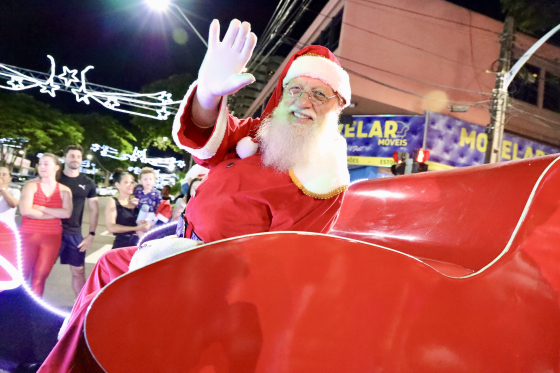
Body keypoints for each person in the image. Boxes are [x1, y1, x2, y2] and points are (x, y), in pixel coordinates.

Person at [39, 19, 351, 372]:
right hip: (179, 251)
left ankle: (71, 362)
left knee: (105, 306)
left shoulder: (321, 178)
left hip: (216, 278)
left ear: (337, 105)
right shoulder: (261, 133)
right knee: (109, 265)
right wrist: (208, 93)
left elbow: (286, 263)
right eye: (295, 89)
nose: (303, 102)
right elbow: (205, 141)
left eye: (319, 93)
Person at [18, 154, 72, 297]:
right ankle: (11, 310)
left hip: (52, 238)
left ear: (56, 167)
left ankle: (33, 313)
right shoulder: (31, 186)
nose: (42, 167)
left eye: (46, 164)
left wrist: (41, 208)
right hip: (28, 236)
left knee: (39, 278)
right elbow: (25, 210)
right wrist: (56, 214)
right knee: (20, 276)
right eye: (40, 164)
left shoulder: (65, 190)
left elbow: (67, 213)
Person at [57, 145, 98, 296]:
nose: (75, 159)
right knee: (40, 271)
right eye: (72, 156)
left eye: (78, 156)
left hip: (74, 233)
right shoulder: (56, 178)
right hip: (52, 230)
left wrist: (91, 234)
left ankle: (82, 310)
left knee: (79, 272)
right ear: (64, 158)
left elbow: (94, 209)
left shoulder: (88, 182)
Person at [105, 169, 150, 249]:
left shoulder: (137, 202)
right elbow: (111, 227)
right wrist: (135, 228)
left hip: (138, 246)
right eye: (126, 182)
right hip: (121, 247)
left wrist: (147, 225)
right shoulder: (113, 202)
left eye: (132, 182)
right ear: (117, 185)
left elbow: (147, 220)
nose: (131, 185)